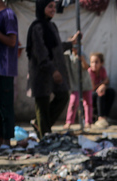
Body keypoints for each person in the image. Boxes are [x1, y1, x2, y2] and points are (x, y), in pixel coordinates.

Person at [26, 0, 79, 137]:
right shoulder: (36, 27)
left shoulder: (51, 26)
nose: (53, 10)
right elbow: (40, 52)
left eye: (54, 7)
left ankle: (40, 124)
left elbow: (56, 47)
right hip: (41, 72)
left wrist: (70, 43)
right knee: (42, 104)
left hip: (53, 71)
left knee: (63, 96)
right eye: (50, 6)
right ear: (42, 7)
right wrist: (52, 70)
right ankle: (44, 137)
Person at [0, 0, 17, 149]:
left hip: (4, 69)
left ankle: (6, 140)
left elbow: (12, 41)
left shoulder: (8, 15)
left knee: (5, 106)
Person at [63, 47, 92, 131]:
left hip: (85, 82)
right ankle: (69, 121)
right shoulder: (69, 57)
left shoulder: (83, 55)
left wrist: (82, 60)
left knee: (88, 103)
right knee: (73, 102)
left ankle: (88, 122)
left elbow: (87, 67)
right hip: (75, 83)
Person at [89, 52, 115, 128]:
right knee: (100, 93)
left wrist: (103, 85)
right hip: (90, 95)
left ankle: (105, 116)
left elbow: (107, 80)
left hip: (99, 91)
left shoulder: (102, 70)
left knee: (110, 92)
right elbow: (92, 88)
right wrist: (102, 84)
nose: (94, 64)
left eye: (96, 62)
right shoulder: (90, 71)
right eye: (92, 62)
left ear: (101, 63)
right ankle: (101, 117)